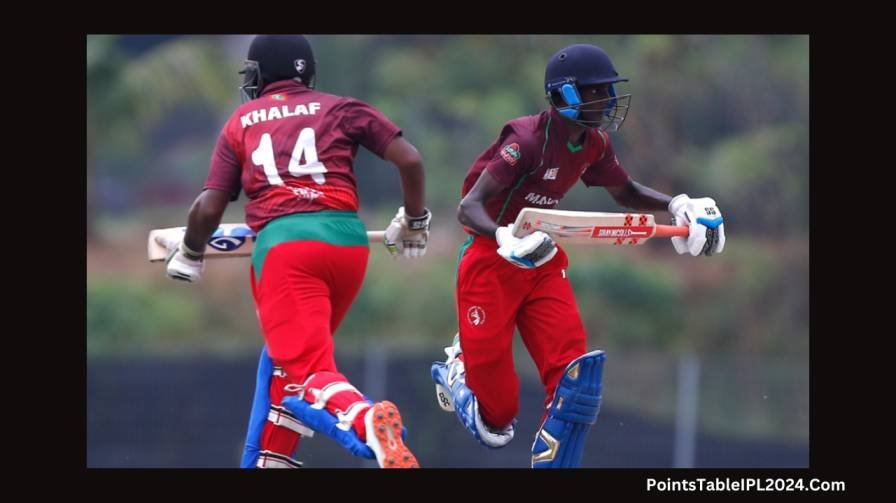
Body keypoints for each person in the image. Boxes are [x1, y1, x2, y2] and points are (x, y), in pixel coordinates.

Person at [430, 43, 725, 468]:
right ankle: (457, 372)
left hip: (542, 259)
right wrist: (504, 237)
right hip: (491, 262)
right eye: (596, 92)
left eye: (607, 91)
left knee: (577, 383)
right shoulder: (525, 140)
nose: (606, 101)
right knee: (495, 425)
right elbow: (468, 207)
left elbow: (624, 191)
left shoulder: (593, 144)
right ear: (565, 95)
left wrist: (678, 204)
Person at [161, 35, 430, 468]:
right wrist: (415, 221)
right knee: (288, 362)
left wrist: (190, 252)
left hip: (287, 251)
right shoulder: (342, 107)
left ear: (260, 74)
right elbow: (411, 160)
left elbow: (209, 206)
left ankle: (365, 422)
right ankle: (270, 462)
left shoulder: (242, 120)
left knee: (308, 374)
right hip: (347, 244)